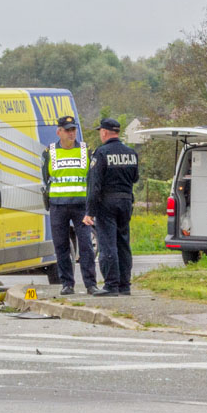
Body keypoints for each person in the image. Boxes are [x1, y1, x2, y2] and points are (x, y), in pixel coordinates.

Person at [41, 115, 97, 295]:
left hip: (81, 206)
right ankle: (67, 284)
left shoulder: (86, 150)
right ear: (59, 132)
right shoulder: (49, 152)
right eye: (67, 130)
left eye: (73, 129)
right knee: (61, 246)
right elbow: (46, 177)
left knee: (86, 246)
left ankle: (91, 284)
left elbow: (92, 178)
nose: (71, 133)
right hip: (58, 206)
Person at [83, 117, 139, 296]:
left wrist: (89, 212)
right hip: (126, 201)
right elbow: (135, 178)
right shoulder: (131, 153)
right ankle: (125, 285)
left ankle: (111, 285)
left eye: (100, 131)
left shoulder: (101, 153)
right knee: (123, 243)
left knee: (108, 244)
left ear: (105, 132)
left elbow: (94, 185)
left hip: (106, 203)